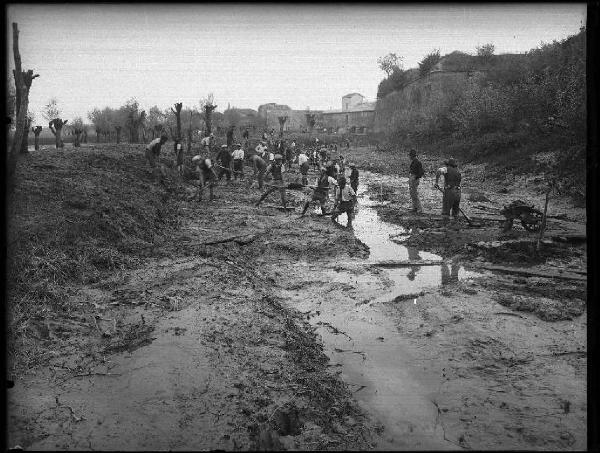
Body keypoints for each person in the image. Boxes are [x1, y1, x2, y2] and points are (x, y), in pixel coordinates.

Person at [408, 148, 425, 214]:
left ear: (412, 156)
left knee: (415, 194)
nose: (409, 157)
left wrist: (415, 177)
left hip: (414, 179)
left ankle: (419, 209)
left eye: (410, 155)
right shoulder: (413, 162)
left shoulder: (418, 162)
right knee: (412, 194)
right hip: (412, 178)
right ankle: (414, 208)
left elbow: (421, 173)